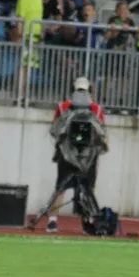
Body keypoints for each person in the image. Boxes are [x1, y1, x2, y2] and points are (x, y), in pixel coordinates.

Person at [46, 76, 107, 233]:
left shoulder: (62, 107)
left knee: (60, 188)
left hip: (66, 155)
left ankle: (52, 222)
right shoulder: (96, 109)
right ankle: (87, 223)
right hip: (89, 157)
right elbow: (102, 134)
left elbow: (54, 130)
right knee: (87, 189)